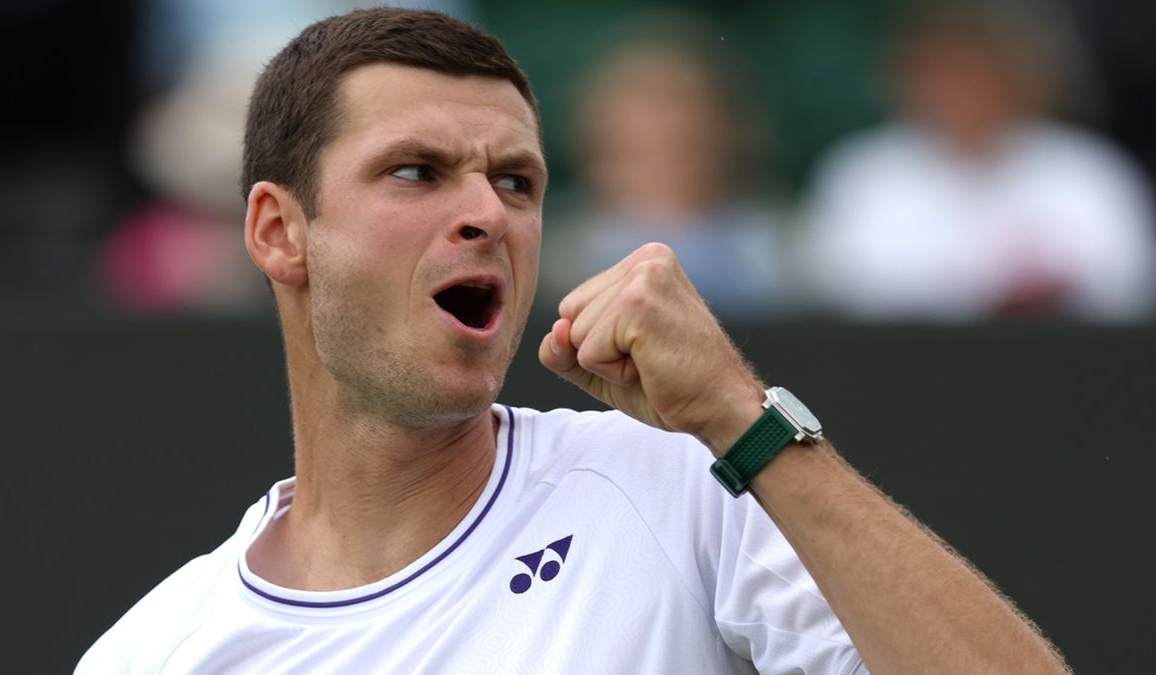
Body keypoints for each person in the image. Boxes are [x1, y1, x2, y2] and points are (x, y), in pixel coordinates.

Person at [76, 8, 1069, 674]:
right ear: (277, 232)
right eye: (416, 172)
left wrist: (741, 421)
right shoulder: (154, 652)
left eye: (516, 182)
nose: (486, 215)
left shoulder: (685, 484)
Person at [803, 2, 1155, 322]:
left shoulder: (1086, 169)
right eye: (937, 72)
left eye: (971, 70)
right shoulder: (861, 174)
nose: (956, 90)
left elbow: (1127, 284)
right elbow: (840, 288)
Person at [540, 11, 792, 317]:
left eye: (678, 103)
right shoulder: (546, 259)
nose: (663, 128)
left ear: (728, 128)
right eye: (639, 108)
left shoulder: (788, 254)